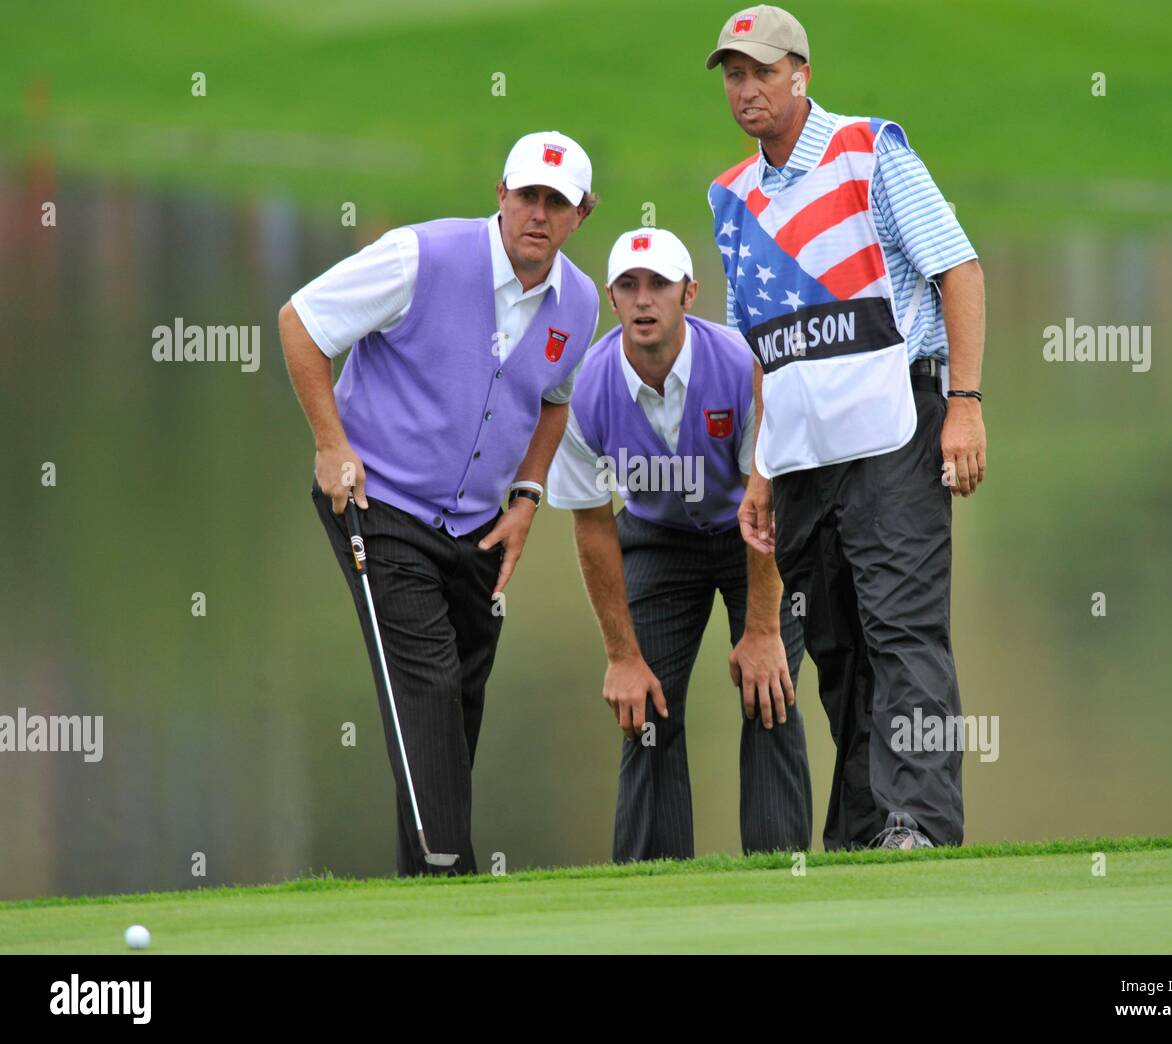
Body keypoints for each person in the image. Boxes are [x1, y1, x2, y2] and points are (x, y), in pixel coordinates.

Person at [278, 131, 601, 874]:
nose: (539, 215)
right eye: (528, 196)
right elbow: (300, 323)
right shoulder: (420, 256)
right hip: (378, 502)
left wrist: (527, 496)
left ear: (582, 213)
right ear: (501, 195)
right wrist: (331, 446)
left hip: (479, 526)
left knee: (459, 699)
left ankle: (420, 885)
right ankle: (452, 878)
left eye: (557, 202)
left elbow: (554, 401)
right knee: (424, 683)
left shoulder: (579, 302)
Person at [704, 6, 987, 850]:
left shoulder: (869, 150)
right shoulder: (731, 196)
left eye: (761, 70)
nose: (746, 88)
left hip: (899, 422)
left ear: (802, 72)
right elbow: (764, 352)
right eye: (733, 74)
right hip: (802, 453)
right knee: (836, 640)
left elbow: (959, 270)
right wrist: (758, 470)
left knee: (903, 627)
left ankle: (922, 822)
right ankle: (866, 829)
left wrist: (966, 404)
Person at [548, 227, 812, 861]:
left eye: (659, 285)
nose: (645, 301)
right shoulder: (584, 390)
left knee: (769, 693)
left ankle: (781, 882)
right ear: (611, 299)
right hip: (659, 540)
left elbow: (767, 500)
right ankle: (648, 892)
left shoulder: (743, 367)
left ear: (689, 293)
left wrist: (763, 629)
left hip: (753, 531)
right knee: (645, 713)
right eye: (629, 286)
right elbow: (592, 525)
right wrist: (621, 655)